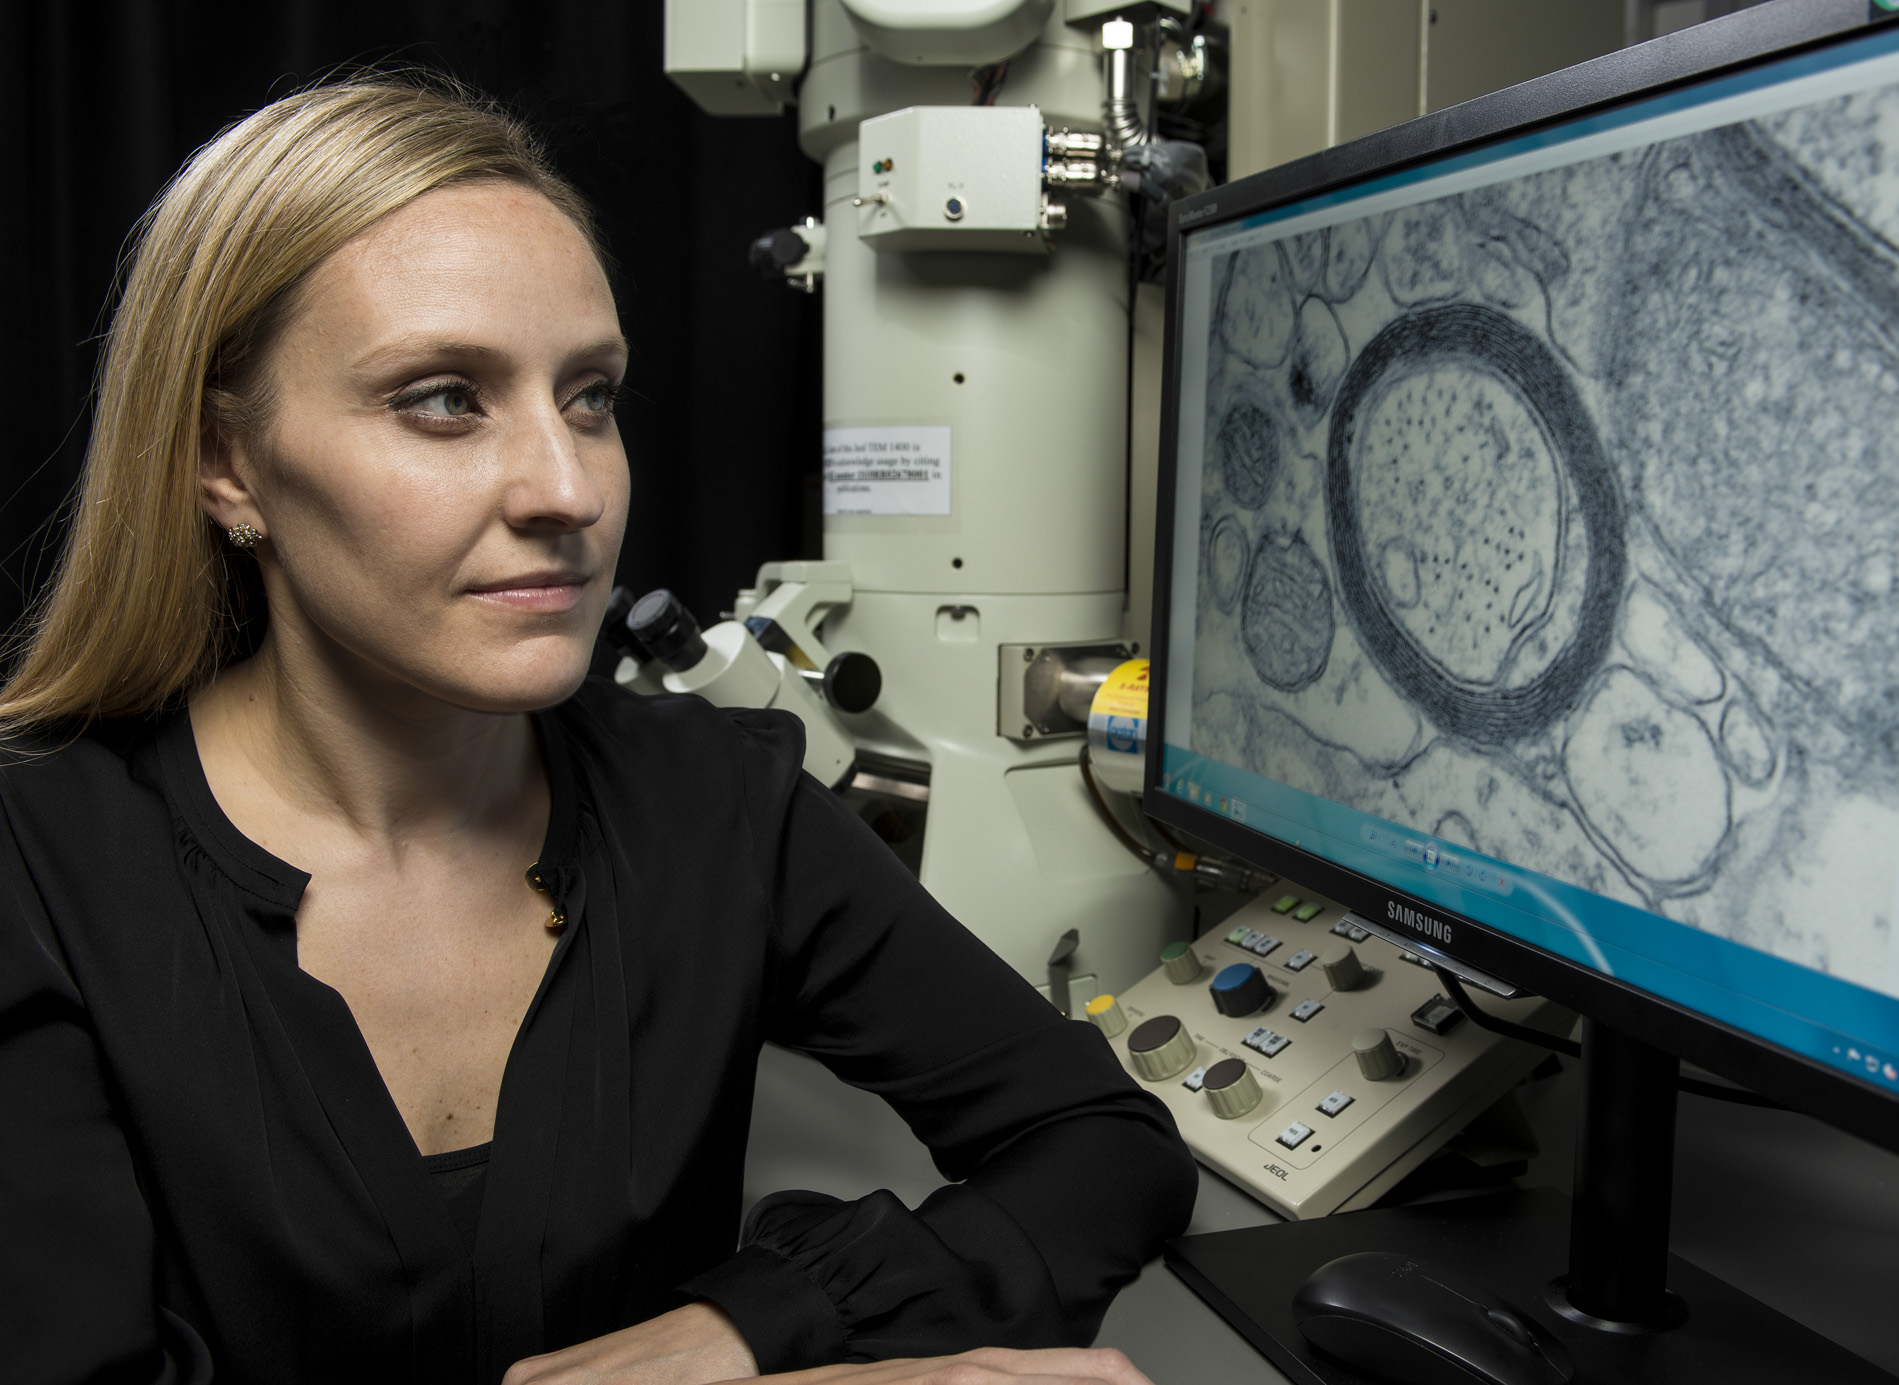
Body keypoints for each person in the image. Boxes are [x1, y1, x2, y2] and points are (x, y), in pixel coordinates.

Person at [0, 76, 1195, 1385]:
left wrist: (756, 1325)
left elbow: (1100, 1139)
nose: (569, 490)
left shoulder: (716, 802)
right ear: (228, 461)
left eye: (589, 395)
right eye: (446, 398)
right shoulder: (39, 863)